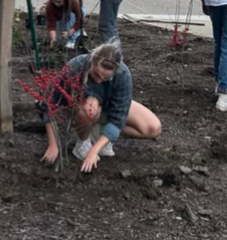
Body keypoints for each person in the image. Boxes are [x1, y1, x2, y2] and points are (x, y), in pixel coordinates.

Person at [40, 41, 161, 172]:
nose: (99, 80)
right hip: (81, 108)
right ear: (92, 61)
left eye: (105, 78)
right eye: (96, 74)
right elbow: (48, 105)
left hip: (108, 106)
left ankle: (99, 134)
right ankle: (83, 143)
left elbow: (118, 119)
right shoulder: (75, 67)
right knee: (90, 109)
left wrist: (94, 151)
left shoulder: (123, 75)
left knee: (153, 128)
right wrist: (53, 144)